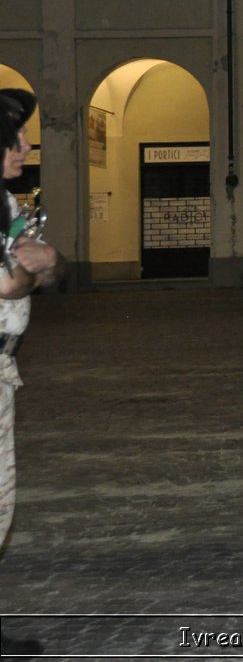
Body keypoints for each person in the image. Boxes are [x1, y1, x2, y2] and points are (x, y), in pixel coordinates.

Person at [0, 89, 64, 657]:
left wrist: (45, 264)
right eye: (14, 140)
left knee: (1, 502)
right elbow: (8, 280)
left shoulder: (7, 205)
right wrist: (26, 274)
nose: (24, 148)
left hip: (3, 366)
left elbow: (46, 262)